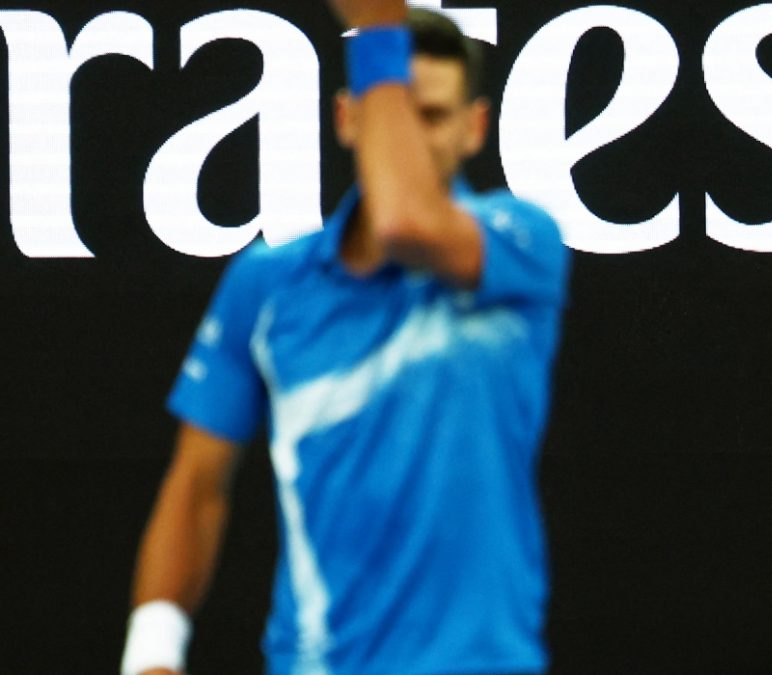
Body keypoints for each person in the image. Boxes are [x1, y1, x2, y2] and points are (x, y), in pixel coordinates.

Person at [120, 2, 569, 673]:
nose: (411, 139)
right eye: (393, 109)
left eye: (434, 116)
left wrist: (378, 26)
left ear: (475, 129)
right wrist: (150, 652)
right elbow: (197, 482)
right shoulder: (268, 285)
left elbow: (404, 222)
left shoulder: (521, 241)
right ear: (347, 117)